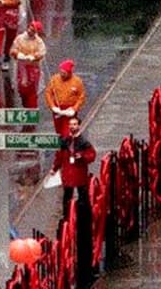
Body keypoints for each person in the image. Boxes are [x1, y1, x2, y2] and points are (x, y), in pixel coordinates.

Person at [53, 119, 97, 287]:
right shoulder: (65, 142)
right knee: (67, 197)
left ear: (78, 126)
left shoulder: (83, 142)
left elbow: (91, 155)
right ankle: (66, 217)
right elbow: (59, 156)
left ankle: (85, 213)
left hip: (79, 174)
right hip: (68, 175)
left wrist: (82, 156)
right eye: (70, 125)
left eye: (74, 125)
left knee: (83, 195)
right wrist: (54, 168)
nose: (72, 127)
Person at [45, 59, 85, 135]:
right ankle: (62, 145)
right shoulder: (54, 79)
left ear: (69, 73)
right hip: (58, 110)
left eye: (64, 73)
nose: (62, 74)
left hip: (69, 111)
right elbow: (48, 93)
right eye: (61, 72)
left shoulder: (77, 81)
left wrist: (74, 109)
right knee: (59, 131)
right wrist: (53, 106)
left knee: (67, 132)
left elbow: (81, 97)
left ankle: (67, 145)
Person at [10, 21, 46, 109]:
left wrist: (33, 57)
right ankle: (25, 105)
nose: (31, 31)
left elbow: (42, 53)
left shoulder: (39, 41)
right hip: (21, 69)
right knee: (22, 90)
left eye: (33, 30)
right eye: (30, 28)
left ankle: (31, 111)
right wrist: (18, 55)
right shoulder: (20, 38)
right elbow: (13, 50)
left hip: (33, 69)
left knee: (33, 93)